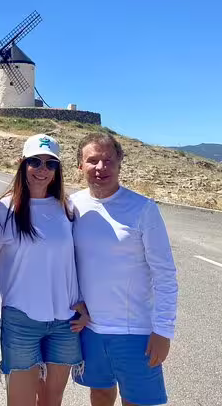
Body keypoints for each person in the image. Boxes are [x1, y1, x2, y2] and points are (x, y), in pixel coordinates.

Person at [71, 132, 178, 406]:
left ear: (120, 162)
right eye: (92, 160)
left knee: (138, 401)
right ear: (80, 166)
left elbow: (164, 274)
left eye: (108, 160)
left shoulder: (143, 209)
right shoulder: (72, 205)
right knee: (100, 394)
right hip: (91, 331)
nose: (100, 167)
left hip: (136, 332)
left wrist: (163, 331)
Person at [0, 133, 89, 406]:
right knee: (21, 402)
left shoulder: (67, 208)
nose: (42, 170)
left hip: (64, 321)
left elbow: (77, 262)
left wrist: (84, 303)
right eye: (35, 161)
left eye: (50, 164)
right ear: (22, 164)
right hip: (21, 320)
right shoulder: (5, 209)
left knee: (51, 401)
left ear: (58, 170)